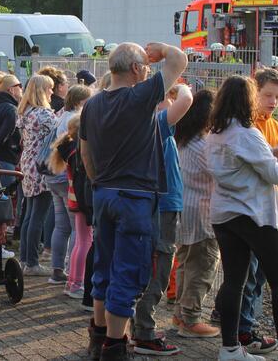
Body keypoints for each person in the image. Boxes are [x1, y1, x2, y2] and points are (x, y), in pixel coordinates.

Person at [81, 42, 187, 361]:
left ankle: (98, 337)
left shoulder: (92, 104)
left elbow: (86, 152)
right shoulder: (139, 97)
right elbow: (179, 60)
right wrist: (161, 50)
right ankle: (115, 347)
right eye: (146, 68)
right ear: (137, 69)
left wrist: (98, 182)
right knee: (128, 272)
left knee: (104, 268)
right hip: (135, 198)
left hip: (105, 194)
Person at [205, 75, 278, 361]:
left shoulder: (215, 133)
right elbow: (277, 174)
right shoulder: (248, 133)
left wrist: (274, 151)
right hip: (256, 216)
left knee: (234, 281)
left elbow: (244, 161)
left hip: (224, 215)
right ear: (249, 99)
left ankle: (230, 348)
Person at [132, 82, 193, 356]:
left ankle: (138, 324)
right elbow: (186, 99)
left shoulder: (146, 123)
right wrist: (178, 88)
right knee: (160, 261)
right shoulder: (156, 123)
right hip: (163, 204)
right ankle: (144, 330)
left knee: (152, 261)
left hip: (158, 201)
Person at [171, 89, 221, 338]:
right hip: (202, 212)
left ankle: (180, 315)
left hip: (184, 209)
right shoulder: (204, 144)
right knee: (203, 266)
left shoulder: (183, 139)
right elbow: (221, 174)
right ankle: (190, 319)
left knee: (185, 264)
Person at [47, 85, 92, 285]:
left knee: (61, 226)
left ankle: (58, 269)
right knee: (78, 233)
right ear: (80, 102)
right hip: (70, 185)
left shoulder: (62, 117)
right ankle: (76, 277)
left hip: (57, 178)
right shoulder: (76, 122)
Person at [16, 75, 56, 276]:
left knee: (29, 214)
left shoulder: (25, 112)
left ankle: (25, 259)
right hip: (41, 166)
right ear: (42, 90)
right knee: (37, 215)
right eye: (49, 88)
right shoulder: (45, 115)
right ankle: (32, 262)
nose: (52, 92)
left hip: (27, 163)